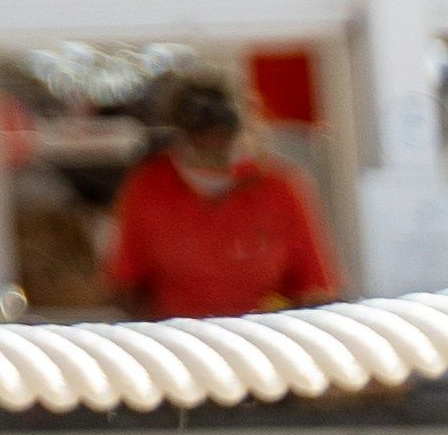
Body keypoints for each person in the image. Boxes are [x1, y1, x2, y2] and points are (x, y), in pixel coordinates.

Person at [102, 69, 336, 320]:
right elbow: (124, 286)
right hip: (177, 335)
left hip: (260, 334)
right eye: (202, 139)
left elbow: (315, 292)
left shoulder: (280, 188)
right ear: (181, 137)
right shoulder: (148, 187)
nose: (214, 148)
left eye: (224, 137)